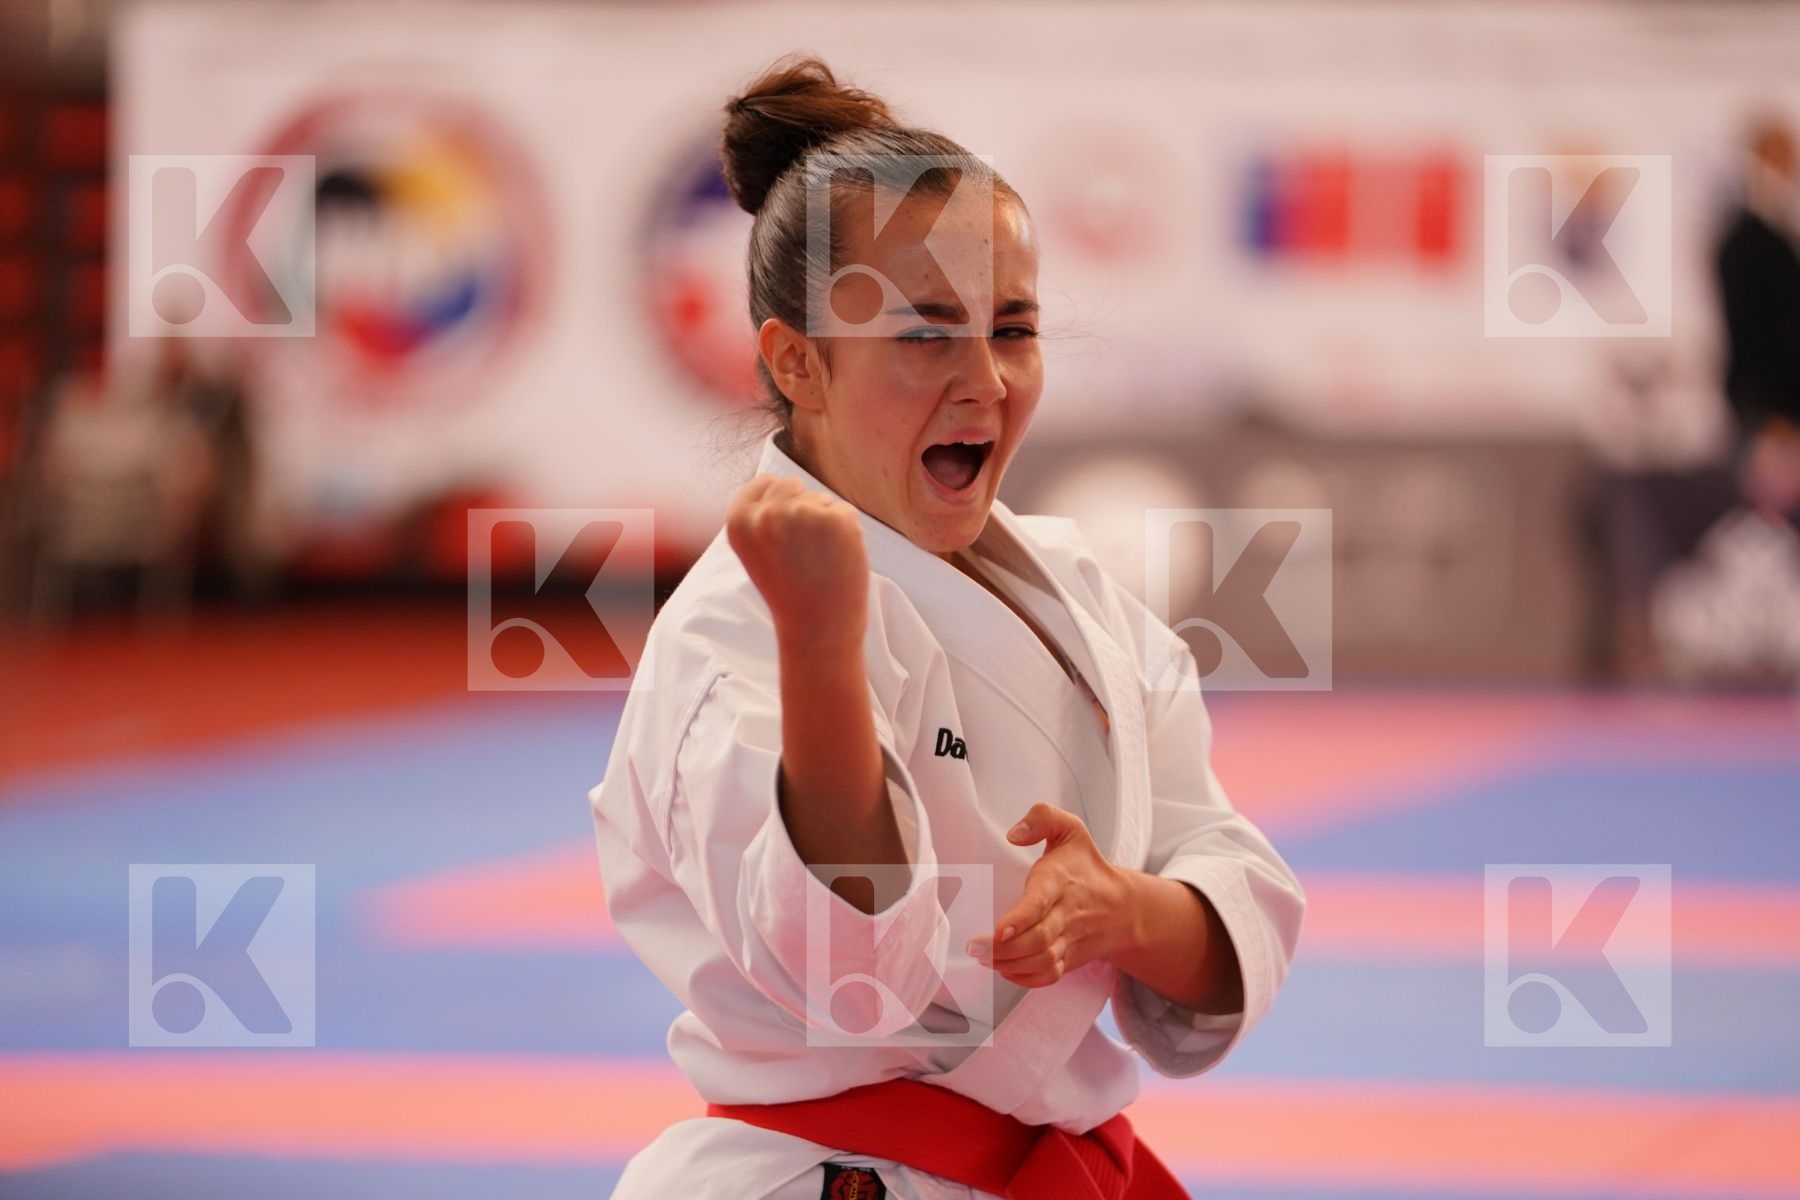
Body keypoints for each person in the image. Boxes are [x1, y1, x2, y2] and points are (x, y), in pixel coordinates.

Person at [589, 54, 1305, 1200]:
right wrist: (822, 651)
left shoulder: (1076, 587)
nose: (983, 380)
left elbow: (1232, 883)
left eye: (1012, 329)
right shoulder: (730, 630)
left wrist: (1122, 910)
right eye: (924, 335)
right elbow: (847, 975)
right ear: (798, 363)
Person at [1715, 113, 1800, 528]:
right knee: (1767, 527)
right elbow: (1752, 333)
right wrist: (1771, 412)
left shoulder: (1780, 237)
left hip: (1780, 411)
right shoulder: (1745, 243)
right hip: (1765, 414)